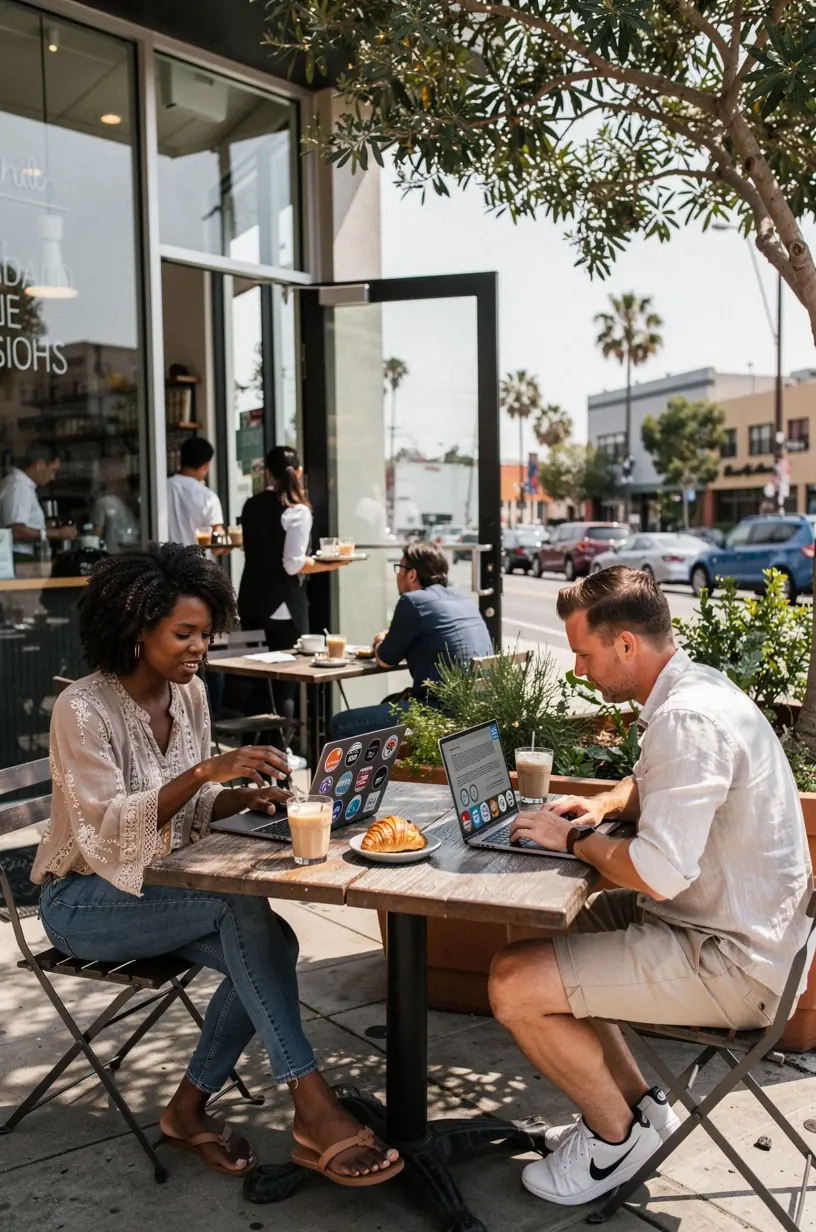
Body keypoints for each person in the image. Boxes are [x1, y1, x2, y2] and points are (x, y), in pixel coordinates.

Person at [33, 543, 402, 1186]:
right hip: (82, 901)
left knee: (270, 943)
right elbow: (108, 829)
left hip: (162, 891)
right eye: (183, 634)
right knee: (244, 908)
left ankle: (187, 1110)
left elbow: (194, 806)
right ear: (134, 624)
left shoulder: (192, 697)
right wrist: (209, 770)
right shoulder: (83, 708)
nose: (199, 647)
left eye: (205, 633)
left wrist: (243, 794)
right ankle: (312, 1105)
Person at [487, 566, 812, 1207]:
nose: (578, 670)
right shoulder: (697, 691)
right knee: (537, 924)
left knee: (512, 982)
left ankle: (613, 1142)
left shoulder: (688, 719)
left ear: (626, 645)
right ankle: (641, 1108)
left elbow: (659, 874)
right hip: (740, 930)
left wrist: (574, 841)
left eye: (583, 653)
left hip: (733, 963)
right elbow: (656, 786)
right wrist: (605, 807)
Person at [328, 541, 492, 740]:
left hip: (441, 710)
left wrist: (380, 640)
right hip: (478, 709)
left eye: (399, 568)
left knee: (341, 724)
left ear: (412, 574)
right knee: (389, 702)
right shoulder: (464, 600)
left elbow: (385, 659)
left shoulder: (413, 602)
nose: (397, 575)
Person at [0, 443, 77, 559]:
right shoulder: (19, 487)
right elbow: (17, 531)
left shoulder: (23, 485)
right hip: (17, 556)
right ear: (39, 464)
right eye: (52, 470)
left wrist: (44, 527)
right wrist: (58, 533)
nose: (53, 477)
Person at [167, 437, 224, 546]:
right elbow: (217, 544)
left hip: (166, 560)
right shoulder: (208, 497)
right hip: (198, 561)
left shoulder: (161, 488)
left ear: (180, 459)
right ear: (206, 466)